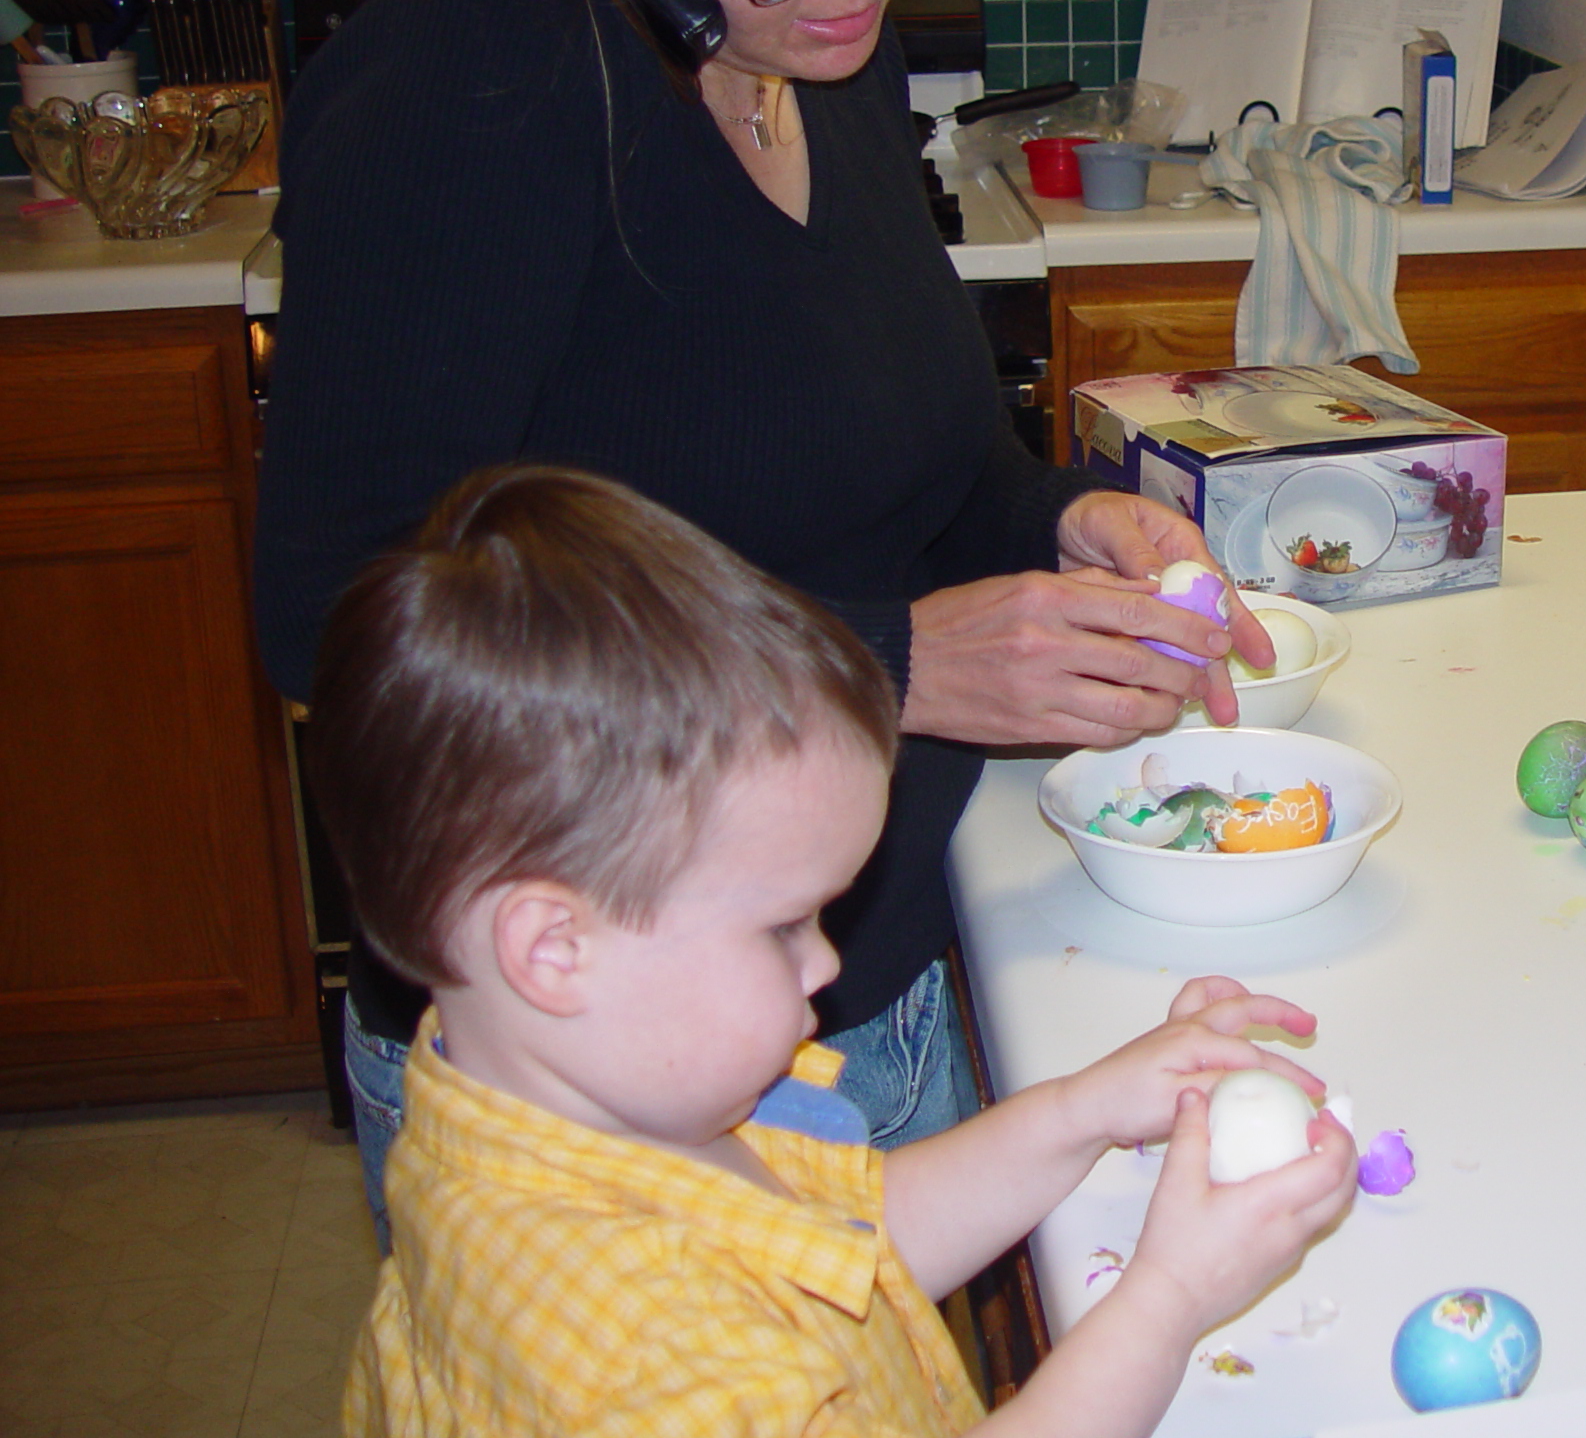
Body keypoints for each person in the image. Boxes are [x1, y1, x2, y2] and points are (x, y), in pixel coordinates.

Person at [252, 0, 1272, 1234]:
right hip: (606, 1085)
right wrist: (880, 665)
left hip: (861, 966)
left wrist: (1065, 523)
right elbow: (349, 621)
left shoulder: (812, 53)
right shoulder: (476, 77)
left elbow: (919, 472)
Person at [307, 465, 1358, 1436]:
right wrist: (1165, 1301)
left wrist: (1082, 1107)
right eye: (781, 926)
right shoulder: (644, 1362)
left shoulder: (562, 1090)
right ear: (552, 947)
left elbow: (839, 1233)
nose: (824, 965)